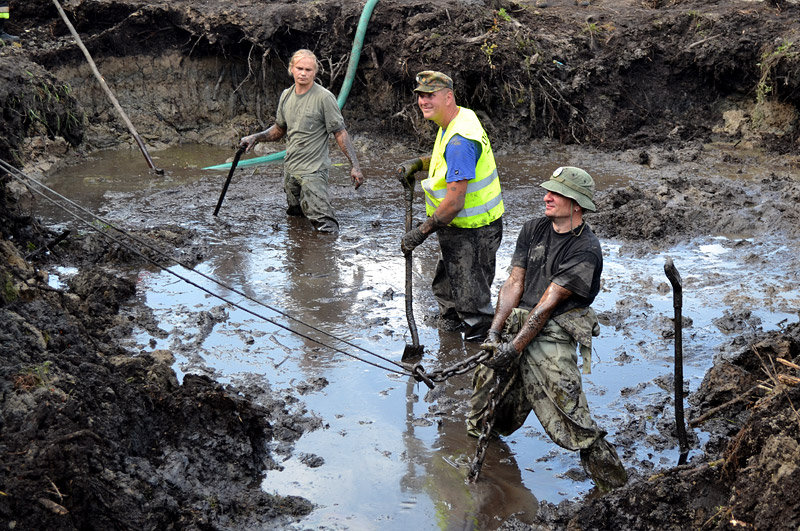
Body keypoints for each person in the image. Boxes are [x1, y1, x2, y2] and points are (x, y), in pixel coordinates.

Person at [467, 166, 627, 492]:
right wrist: (495, 334)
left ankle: (619, 490)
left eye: (556, 193)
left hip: (554, 328)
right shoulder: (533, 229)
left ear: (577, 204)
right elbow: (514, 282)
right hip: (518, 323)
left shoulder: (586, 250)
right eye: (548, 191)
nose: (546, 197)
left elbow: (548, 303)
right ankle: (491, 474)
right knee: (484, 404)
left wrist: (514, 349)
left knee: (571, 418)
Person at [397, 71, 504, 342]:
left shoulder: (460, 141)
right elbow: (447, 162)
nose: (423, 101)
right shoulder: (459, 118)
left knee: (473, 305)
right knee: (446, 288)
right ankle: (451, 340)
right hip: (457, 229)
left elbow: (455, 202)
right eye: (420, 95)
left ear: (448, 97)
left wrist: (420, 232)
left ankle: (476, 358)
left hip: (474, 230)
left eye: (430, 95)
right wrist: (420, 164)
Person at [239, 49, 363, 233]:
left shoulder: (324, 97)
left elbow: (340, 133)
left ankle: (324, 258)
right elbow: (279, 129)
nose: (303, 73)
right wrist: (255, 137)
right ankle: (299, 256)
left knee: (325, 224)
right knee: (296, 219)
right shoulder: (286, 95)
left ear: (315, 72)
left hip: (313, 171)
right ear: (291, 69)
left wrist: (355, 166)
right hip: (291, 170)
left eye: (308, 69)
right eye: (299, 68)